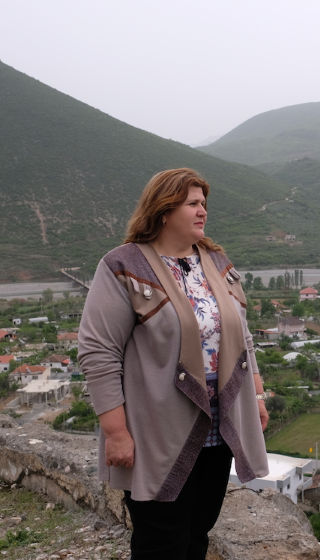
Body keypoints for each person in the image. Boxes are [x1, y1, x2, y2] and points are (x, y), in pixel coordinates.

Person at [78, 168, 269, 560]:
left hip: (219, 426)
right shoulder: (124, 266)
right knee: (161, 541)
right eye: (193, 204)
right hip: (157, 430)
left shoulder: (216, 262)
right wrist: (116, 432)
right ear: (164, 210)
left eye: (204, 204)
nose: (203, 211)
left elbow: (243, 337)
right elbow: (99, 351)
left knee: (198, 531)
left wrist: (259, 395)